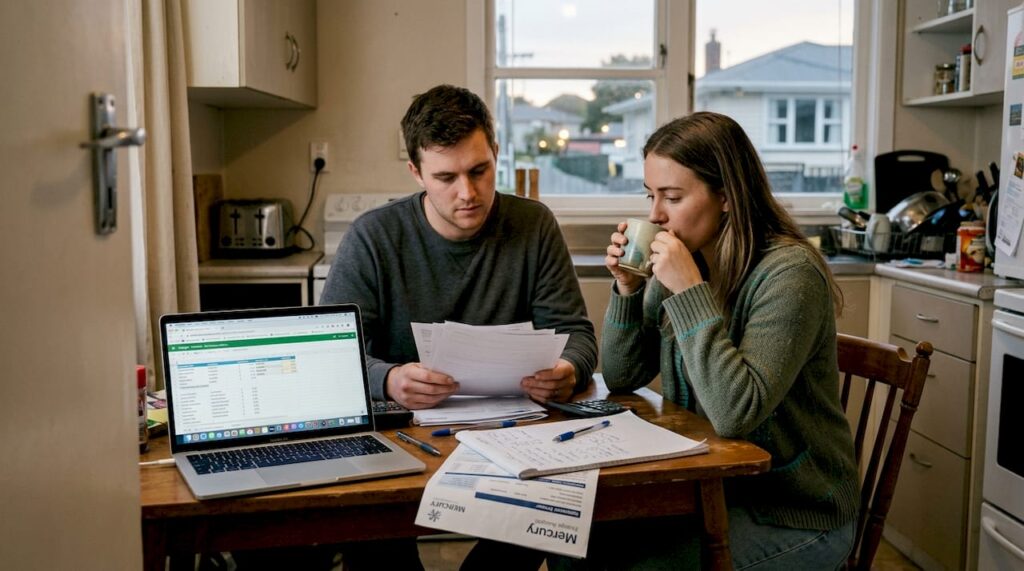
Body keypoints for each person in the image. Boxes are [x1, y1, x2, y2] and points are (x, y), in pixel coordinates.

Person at [562, 112, 860, 569]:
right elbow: (621, 376)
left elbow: (734, 412)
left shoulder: (789, 274)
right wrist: (627, 289)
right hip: (710, 489)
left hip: (794, 515)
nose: (655, 215)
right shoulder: (686, 260)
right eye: (651, 195)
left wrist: (688, 292)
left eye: (673, 197)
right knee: (573, 544)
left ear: (725, 196)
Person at [320, 84, 597, 571]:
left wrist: (568, 368)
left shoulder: (533, 225)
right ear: (416, 172)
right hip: (404, 433)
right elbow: (333, 356)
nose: (467, 193)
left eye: (479, 171)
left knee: (543, 527)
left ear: (495, 153)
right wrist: (388, 378)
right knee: (375, 542)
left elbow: (577, 333)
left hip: (517, 432)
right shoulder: (373, 236)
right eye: (445, 177)